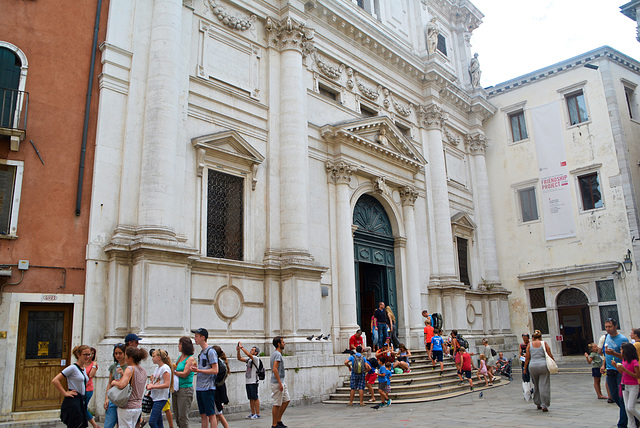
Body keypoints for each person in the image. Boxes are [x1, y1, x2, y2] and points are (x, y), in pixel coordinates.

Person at [52, 345, 92, 428]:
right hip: (74, 400)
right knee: (75, 424)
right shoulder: (72, 368)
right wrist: (65, 393)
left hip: (81, 400)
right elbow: (55, 380)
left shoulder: (83, 368)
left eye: (89, 354)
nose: (87, 357)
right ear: (78, 355)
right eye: (85, 354)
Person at [110, 347, 149, 427]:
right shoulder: (143, 370)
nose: (125, 359)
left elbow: (122, 384)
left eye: (126, 356)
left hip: (127, 406)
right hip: (138, 406)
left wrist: (114, 382)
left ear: (130, 358)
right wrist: (123, 375)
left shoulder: (130, 368)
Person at [601, 318, 629, 427]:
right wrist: (603, 365)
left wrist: (615, 354)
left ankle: (622, 424)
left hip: (620, 370)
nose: (607, 329)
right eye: (606, 326)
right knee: (614, 396)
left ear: (615, 326)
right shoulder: (606, 337)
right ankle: (634, 417)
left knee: (621, 398)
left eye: (610, 326)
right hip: (610, 370)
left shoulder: (622, 339)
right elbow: (606, 354)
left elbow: (627, 357)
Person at [190, 328, 219, 428]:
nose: (195, 339)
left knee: (211, 414)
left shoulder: (210, 352)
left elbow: (215, 370)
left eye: (196, 336)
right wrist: (197, 369)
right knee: (203, 414)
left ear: (203, 337)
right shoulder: (202, 353)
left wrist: (199, 371)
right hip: (200, 387)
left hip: (208, 387)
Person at [524, 330, 554, 412]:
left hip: (533, 366)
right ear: (540, 337)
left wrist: (525, 368)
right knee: (544, 385)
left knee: (536, 384)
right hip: (543, 365)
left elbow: (527, 358)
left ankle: (538, 403)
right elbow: (549, 354)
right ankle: (544, 405)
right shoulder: (544, 343)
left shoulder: (530, 345)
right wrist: (554, 364)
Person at [173, 336, 195, 428]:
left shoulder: (190, 359)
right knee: (177, 415)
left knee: (183, 416)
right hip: (177, 388)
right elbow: (175, 367)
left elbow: (185, 373)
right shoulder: (180, 357)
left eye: (180, 344)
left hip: (185, 389)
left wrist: (174, 372)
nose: (178, 346)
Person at [616, 343, 640, 427]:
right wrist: (617, 367)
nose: (620, 351)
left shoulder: (634, 362)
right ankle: (632, 425)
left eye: (622, 350)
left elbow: (637, 375)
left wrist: (625, 370)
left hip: (633, 386)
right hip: (624, 385)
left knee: (631, 407)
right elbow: (623, 373)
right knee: (627, 409)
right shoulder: (624, 361)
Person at [146, 349, 172, 428]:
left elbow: (166, 384)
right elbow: (156, 381)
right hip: (155, 397)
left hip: (161, 398)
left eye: (154, 356)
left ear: (159, 357)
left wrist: (152, 386)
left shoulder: (165, 368)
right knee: (159, 421)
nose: (152, 358)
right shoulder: (157, 369)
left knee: (152, 421)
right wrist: (150, 384)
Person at [237, 342, 261, 420]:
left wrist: (242, 347)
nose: (250, 350)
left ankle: (257, 413)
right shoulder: (249, 360)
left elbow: (248, 355)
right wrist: (238, 351)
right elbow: (239, 358)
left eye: (252, 350)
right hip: (248, 381)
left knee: (255, 397)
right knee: (250, 398)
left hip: (254, 381)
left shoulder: (256, 359)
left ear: (256, 352)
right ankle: (252, 412)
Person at [104, 343, 127, 428]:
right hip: (113, 397)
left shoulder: (128, 367)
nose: (118, 355)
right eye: (116, 353)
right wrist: (106, 398)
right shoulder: (113, 366)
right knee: (108, 424)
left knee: (121, 425)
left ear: (125, 353)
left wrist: (123, 374)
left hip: (124, 398)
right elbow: (110, 382)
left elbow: (130, 382)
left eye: (120, 353)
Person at [270, 336, 290, 428]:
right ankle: (274, 424)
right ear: (279, 344)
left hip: (280, 381)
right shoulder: (277, 354)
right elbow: (275, 369)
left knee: (286, 400)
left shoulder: (276, 354)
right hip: (277, 382)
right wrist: (279, 383)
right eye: (283, 342)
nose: (284, 343)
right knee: (277, 403)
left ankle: (278, 420)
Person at [212, 346, 230, 428]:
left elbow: (217, 378)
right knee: (218, 414)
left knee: (217, 414)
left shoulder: (219, 365)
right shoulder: (221, 363)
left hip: (218, 391)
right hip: (220, 390)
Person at [85, 347, 99, 428]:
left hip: (88, 389)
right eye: (89, 353)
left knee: (83, 408)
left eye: (92, 354)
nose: (90, 355)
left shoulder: (93, 364)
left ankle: (94, 425)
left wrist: (94, 366)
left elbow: (91, 375)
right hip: (79, 389)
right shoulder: (81, 363)